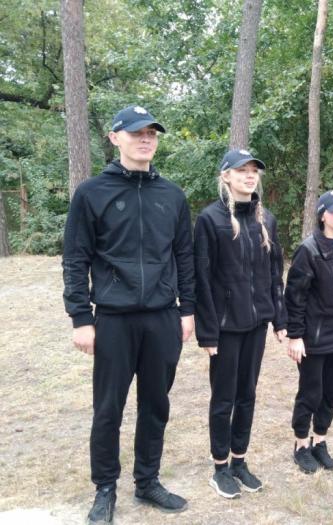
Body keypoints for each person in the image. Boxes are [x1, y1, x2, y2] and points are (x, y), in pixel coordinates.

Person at [63, 105, 195, 524]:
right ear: (115, 137)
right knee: (108, 409)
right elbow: (75, 258)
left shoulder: (172, 195)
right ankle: (105, 488)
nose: (146, 139)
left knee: (156, 405)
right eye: (137, 132)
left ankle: (148, 481)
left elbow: (185, 257)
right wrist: (81, 317)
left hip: (162, 317)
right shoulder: (91, 193)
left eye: (152, 133)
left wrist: (187, 310)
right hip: (114, 319)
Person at [194, 149, 287, 498]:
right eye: (241, 170)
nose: (249, 176)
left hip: (256, 324)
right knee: (224, 398)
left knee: (247, 394)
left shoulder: (267, 220)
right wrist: (207, 331)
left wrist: (278, 318)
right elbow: (202, 279)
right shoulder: (210, 219)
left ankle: (239, 461)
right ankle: (220, 468)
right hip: (225, 327)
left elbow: (274, 273)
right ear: (226, 176)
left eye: (254, 171)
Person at [285, 191, 333, 474]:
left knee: (331, 392)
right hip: (314, 338)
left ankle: (319, 441)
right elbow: (295, 297)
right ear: (322, 216)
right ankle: (301, 444)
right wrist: (295, 336)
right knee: (311, 392)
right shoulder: (309, 250)